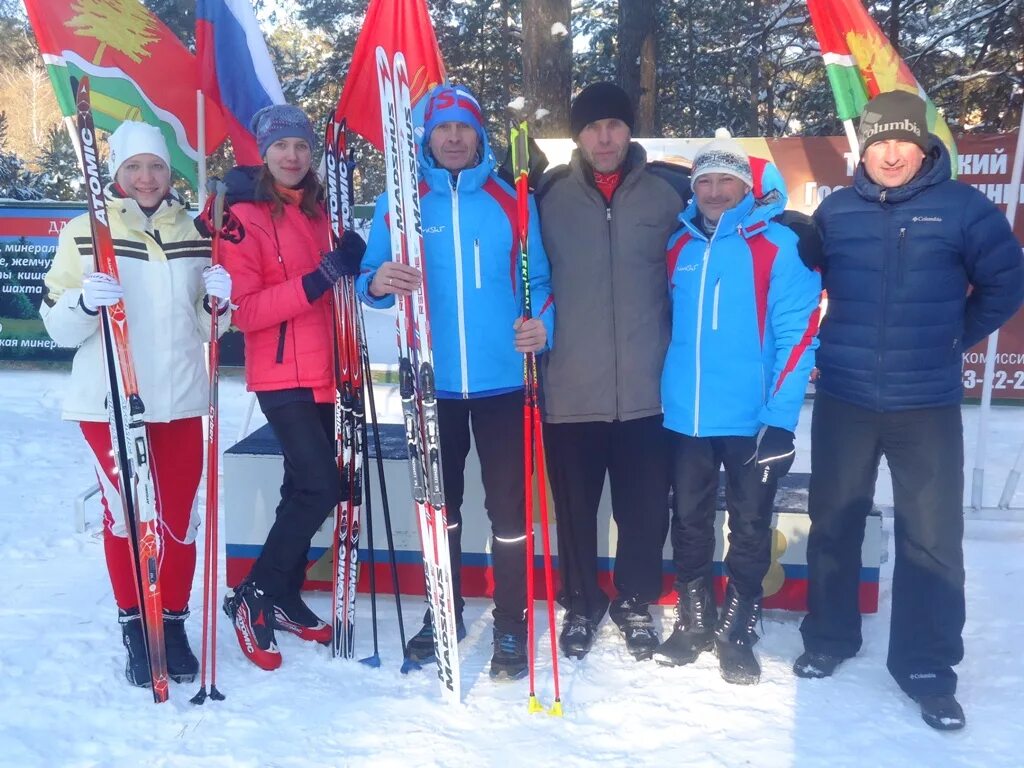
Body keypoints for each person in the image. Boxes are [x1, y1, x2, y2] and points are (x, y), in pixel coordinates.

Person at [794, 91, 1024, 730]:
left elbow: (1008, 281)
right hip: (844, 396)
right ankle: (830, 639)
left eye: (903, 142)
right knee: (834, 523)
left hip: (925, 403)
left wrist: (953, 335)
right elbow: (796, 280)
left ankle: (926, 666)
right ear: (861, 150)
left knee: (931, 541)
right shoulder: (836, 213)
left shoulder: (964, 209)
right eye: (878, 143)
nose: (890, 155)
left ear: (925, 147)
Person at [357, 84, 553, 681]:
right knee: (438, 509)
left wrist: (541, 324)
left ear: (479, 134)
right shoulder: (401, 201)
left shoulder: (511, 198)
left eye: (463, 128)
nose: (453, 138)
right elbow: (370, 276)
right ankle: (443, 613)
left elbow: (539, 280)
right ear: (424, 137)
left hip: (502, 383)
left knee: (509, 514)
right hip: (431, 383)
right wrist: (380, 279)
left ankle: (512, 624)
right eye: (442, 129)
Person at [40, 121, 232, 688]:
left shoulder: (197, 231)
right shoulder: (84, 231)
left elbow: (202, 324)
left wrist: (221, 305)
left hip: (177, 398)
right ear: (117, 174)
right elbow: (57, 327)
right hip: (109, 402)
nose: (146, 178)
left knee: (177, 519)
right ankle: (134, 623)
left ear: (169, 172)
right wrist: (83, 301)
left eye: (155, 166)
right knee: (126, 516)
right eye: (133, 168)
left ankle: (170, 622)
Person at [651, 132, 821, 684]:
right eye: (705, 180)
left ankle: (739, 624)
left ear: (748, 186)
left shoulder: (779, 244)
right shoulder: (678, 244)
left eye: (728, 180)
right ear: (693, 186)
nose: (716, 190)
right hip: (685, 415)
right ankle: (695, 618)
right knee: (689, 520)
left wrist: (780, 419)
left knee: (750, 526)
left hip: (752, 419)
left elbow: (797, 336)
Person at [536, 82, 690, 660]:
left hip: (650, 392)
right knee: (574, 511)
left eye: (616, 125)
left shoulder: (669, 194)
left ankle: (633, 601)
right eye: (593, 126)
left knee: (644, 510)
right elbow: (530, 276)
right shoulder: (547, 195)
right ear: (577, 134)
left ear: (631, 131)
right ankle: (581, 602)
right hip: (571, 388)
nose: (605, 136)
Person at [219, 104, 366, 671]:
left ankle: (281, 593)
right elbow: (246, 310)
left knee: (299, 487)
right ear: (264, 152)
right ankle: (254, 593)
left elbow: (342, 286)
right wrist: (321, 277)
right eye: (281, 147)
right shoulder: (246, 216)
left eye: (302, 147)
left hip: (328, 372)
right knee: (320, 487)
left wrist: (351, 263)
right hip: (281, 375)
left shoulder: (319, 212)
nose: (292, 156)